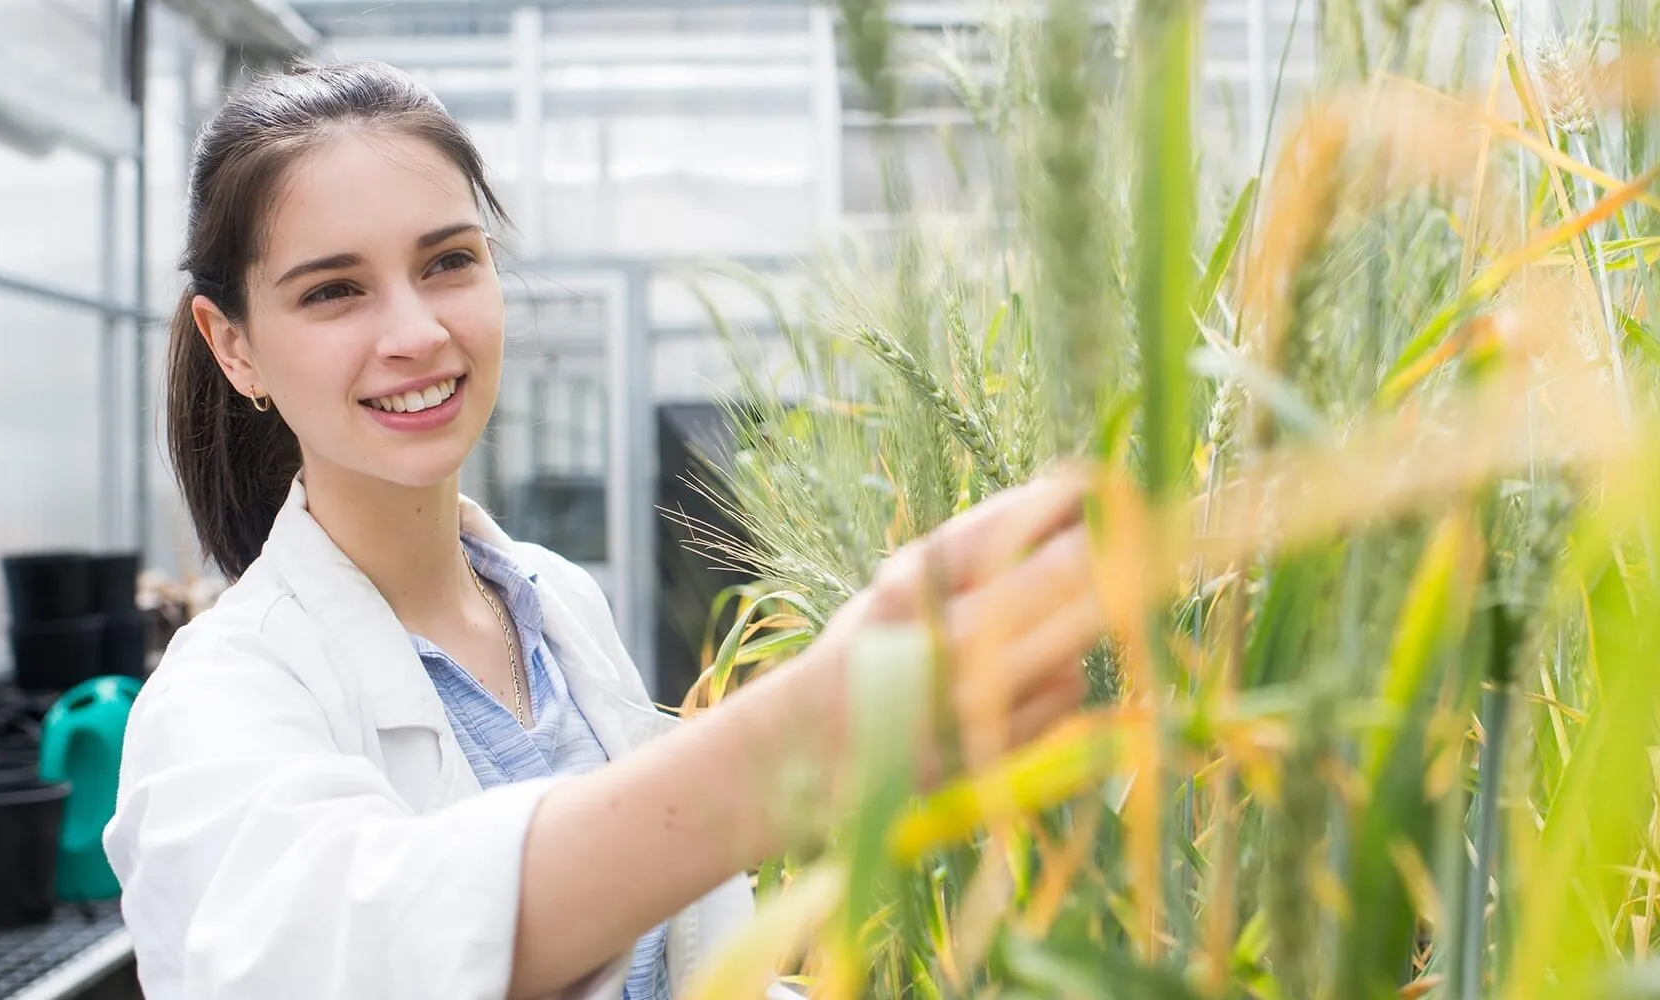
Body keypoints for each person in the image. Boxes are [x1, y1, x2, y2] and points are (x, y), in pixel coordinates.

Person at [104, 61, 1106, 1000]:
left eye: (448, 261)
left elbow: (673, 962)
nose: (414, 332)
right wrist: (793, 749)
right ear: (232, 345)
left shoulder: (553, 601)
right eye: (334, 290)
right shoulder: (218, 699)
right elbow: (368, 949)